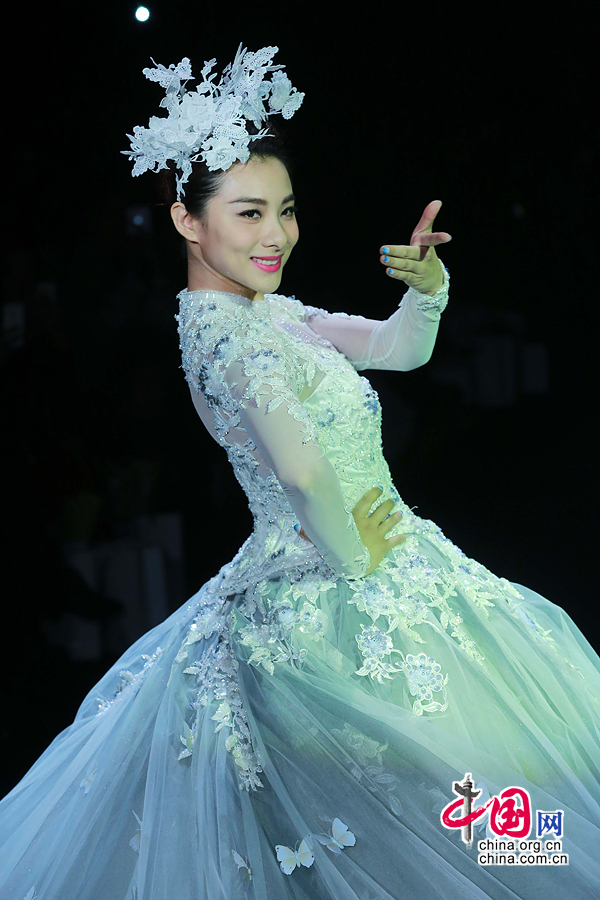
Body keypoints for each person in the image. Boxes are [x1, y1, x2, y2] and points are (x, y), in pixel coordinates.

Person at [1, 44, 599, 900]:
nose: (276, 233)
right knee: (468, 807)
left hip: (370, 571)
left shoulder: (268, 313)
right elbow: (302, 470)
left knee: (469, 807)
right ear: (187, 222)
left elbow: (396, 348)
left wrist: (426, 289)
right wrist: (368, 573)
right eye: (248, 214)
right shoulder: (225, 334)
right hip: (339, 599)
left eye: (284, 209)